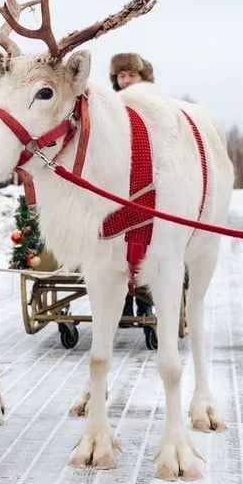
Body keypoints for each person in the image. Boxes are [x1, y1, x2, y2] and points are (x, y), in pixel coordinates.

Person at [109, 52, 156, 326]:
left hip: (148, 181)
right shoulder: (111, 106)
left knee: (145, 245)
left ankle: (145, 303)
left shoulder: (154, 105)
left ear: (142, 77)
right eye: (122, 75)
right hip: (118, 184)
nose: (126, 81)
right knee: (119, 247)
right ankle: (123, 301)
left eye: (131, 75)